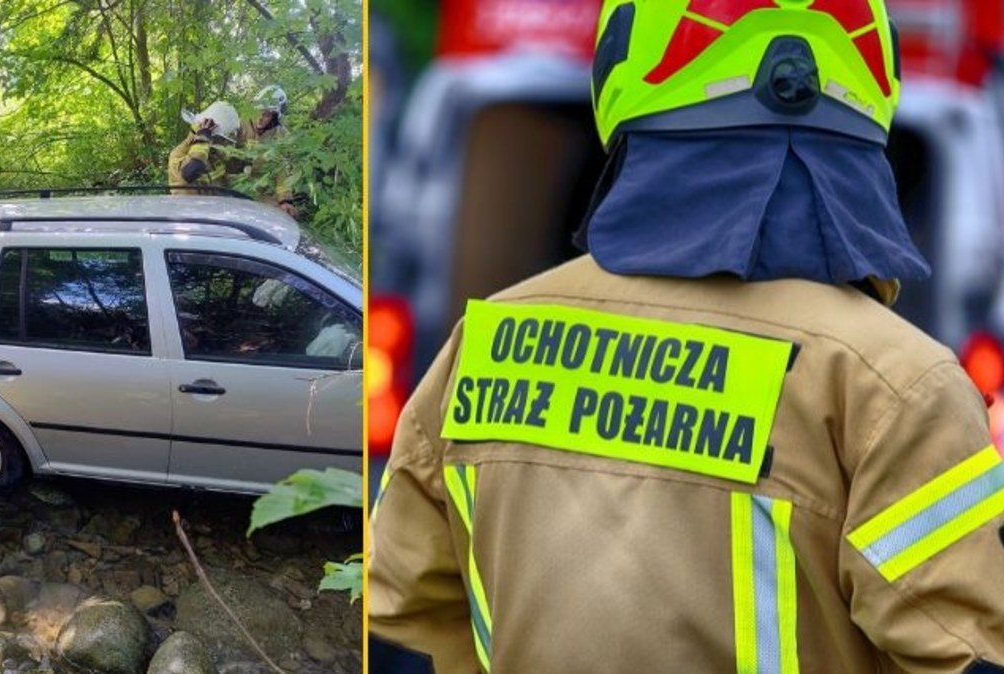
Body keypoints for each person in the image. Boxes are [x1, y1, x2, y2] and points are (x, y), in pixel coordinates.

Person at [368, 4, 1004, 673]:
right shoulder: (900, 384)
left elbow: (405, 607)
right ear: (873, 90)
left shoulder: (487, 339)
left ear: (622, 72)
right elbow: (962, 653)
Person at [240, 84, 301, 219]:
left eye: (266, 114)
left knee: (278, 216)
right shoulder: (241, 125)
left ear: (274, 117)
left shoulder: (282, 135)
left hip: (264, 189)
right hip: (236, 183)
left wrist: (285, 200)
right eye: (258, 112)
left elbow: (283, 169)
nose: (260, 118)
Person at [167, 101, 241, 192]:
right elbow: (191, 172)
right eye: (220, 139)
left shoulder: (215, 156)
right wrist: (202, 139)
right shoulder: (178, 154)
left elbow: (222, 182)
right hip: (187, 206)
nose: (222, 143)